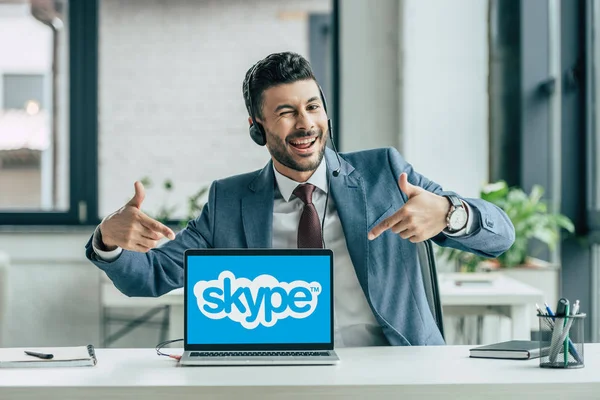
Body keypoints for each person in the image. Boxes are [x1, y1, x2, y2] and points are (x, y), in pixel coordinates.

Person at [86, 52, 515, 346]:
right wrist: (108, 239)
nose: (305, 123)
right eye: (286, 112)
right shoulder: (229, 200)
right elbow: (151, 275)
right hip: (280, 374)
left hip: (393, 367)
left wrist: (449, 213)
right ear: (258, 128)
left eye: (312, 107)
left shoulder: (384, 172)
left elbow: (501, 235)